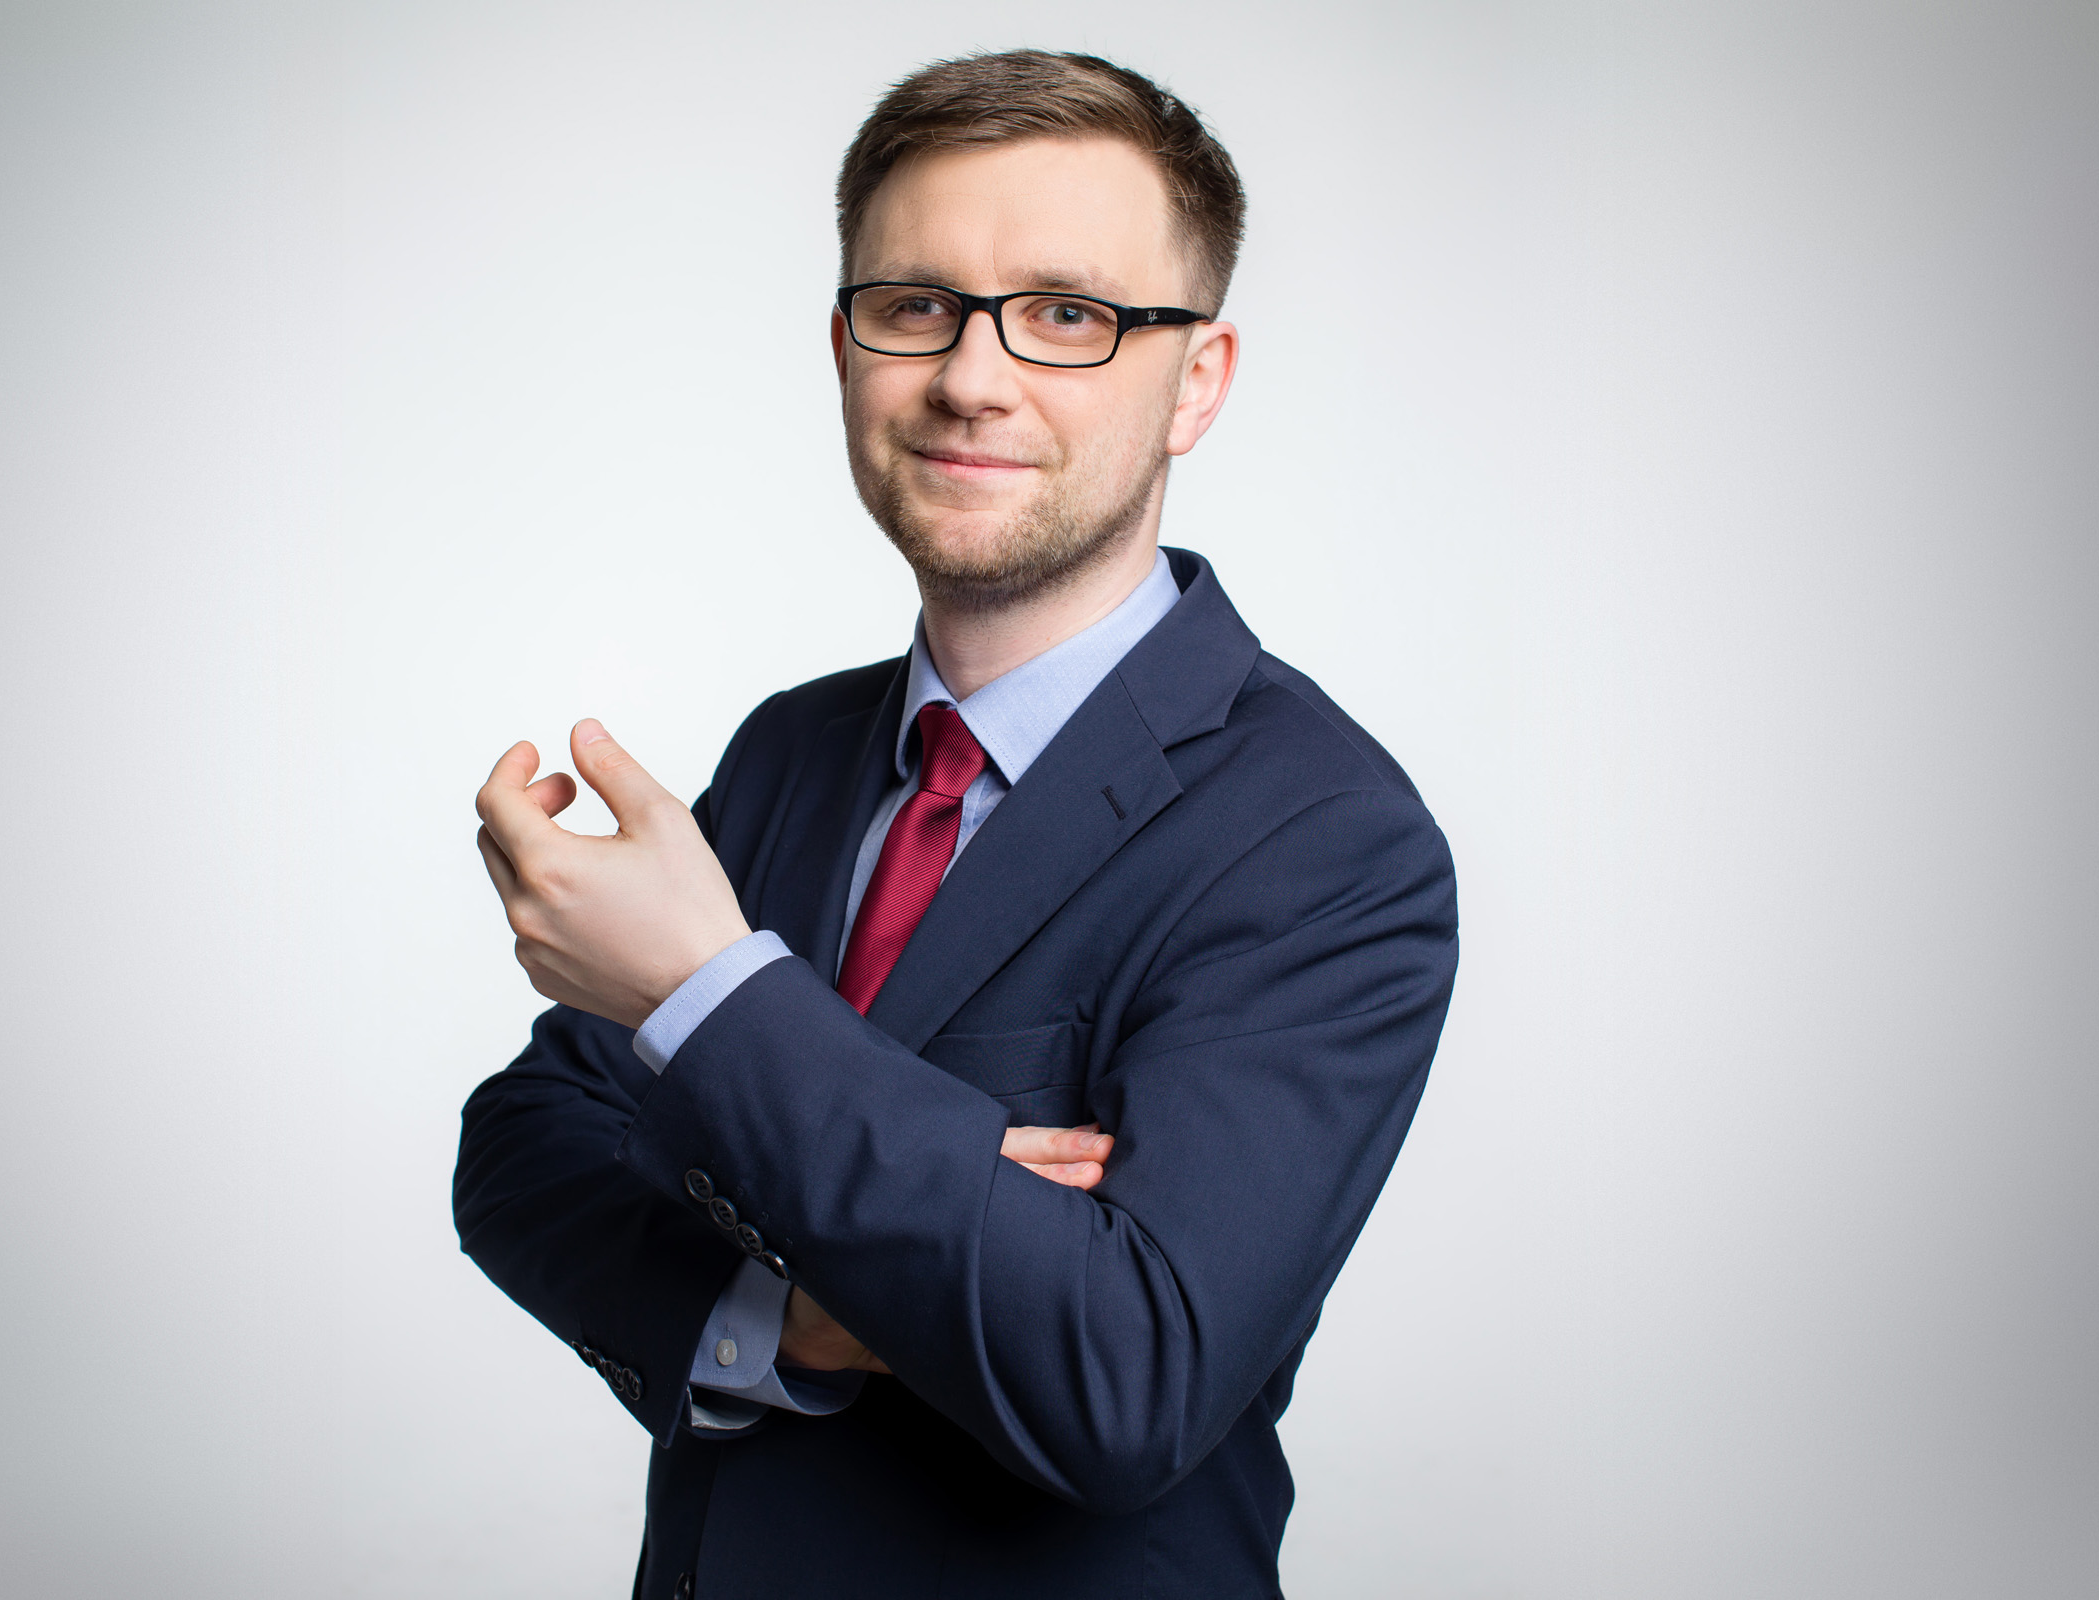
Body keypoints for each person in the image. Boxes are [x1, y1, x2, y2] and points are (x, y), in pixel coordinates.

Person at [456, 49, 1458, 1600]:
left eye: (1068, 314)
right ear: (844, 347)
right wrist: (781, 1321)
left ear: (1198, 380)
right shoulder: (793, 751)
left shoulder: (1325, 837)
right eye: (917, 305)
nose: (971, 379)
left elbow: (1126, 1371)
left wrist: (709, 993)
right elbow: (526, 1146)